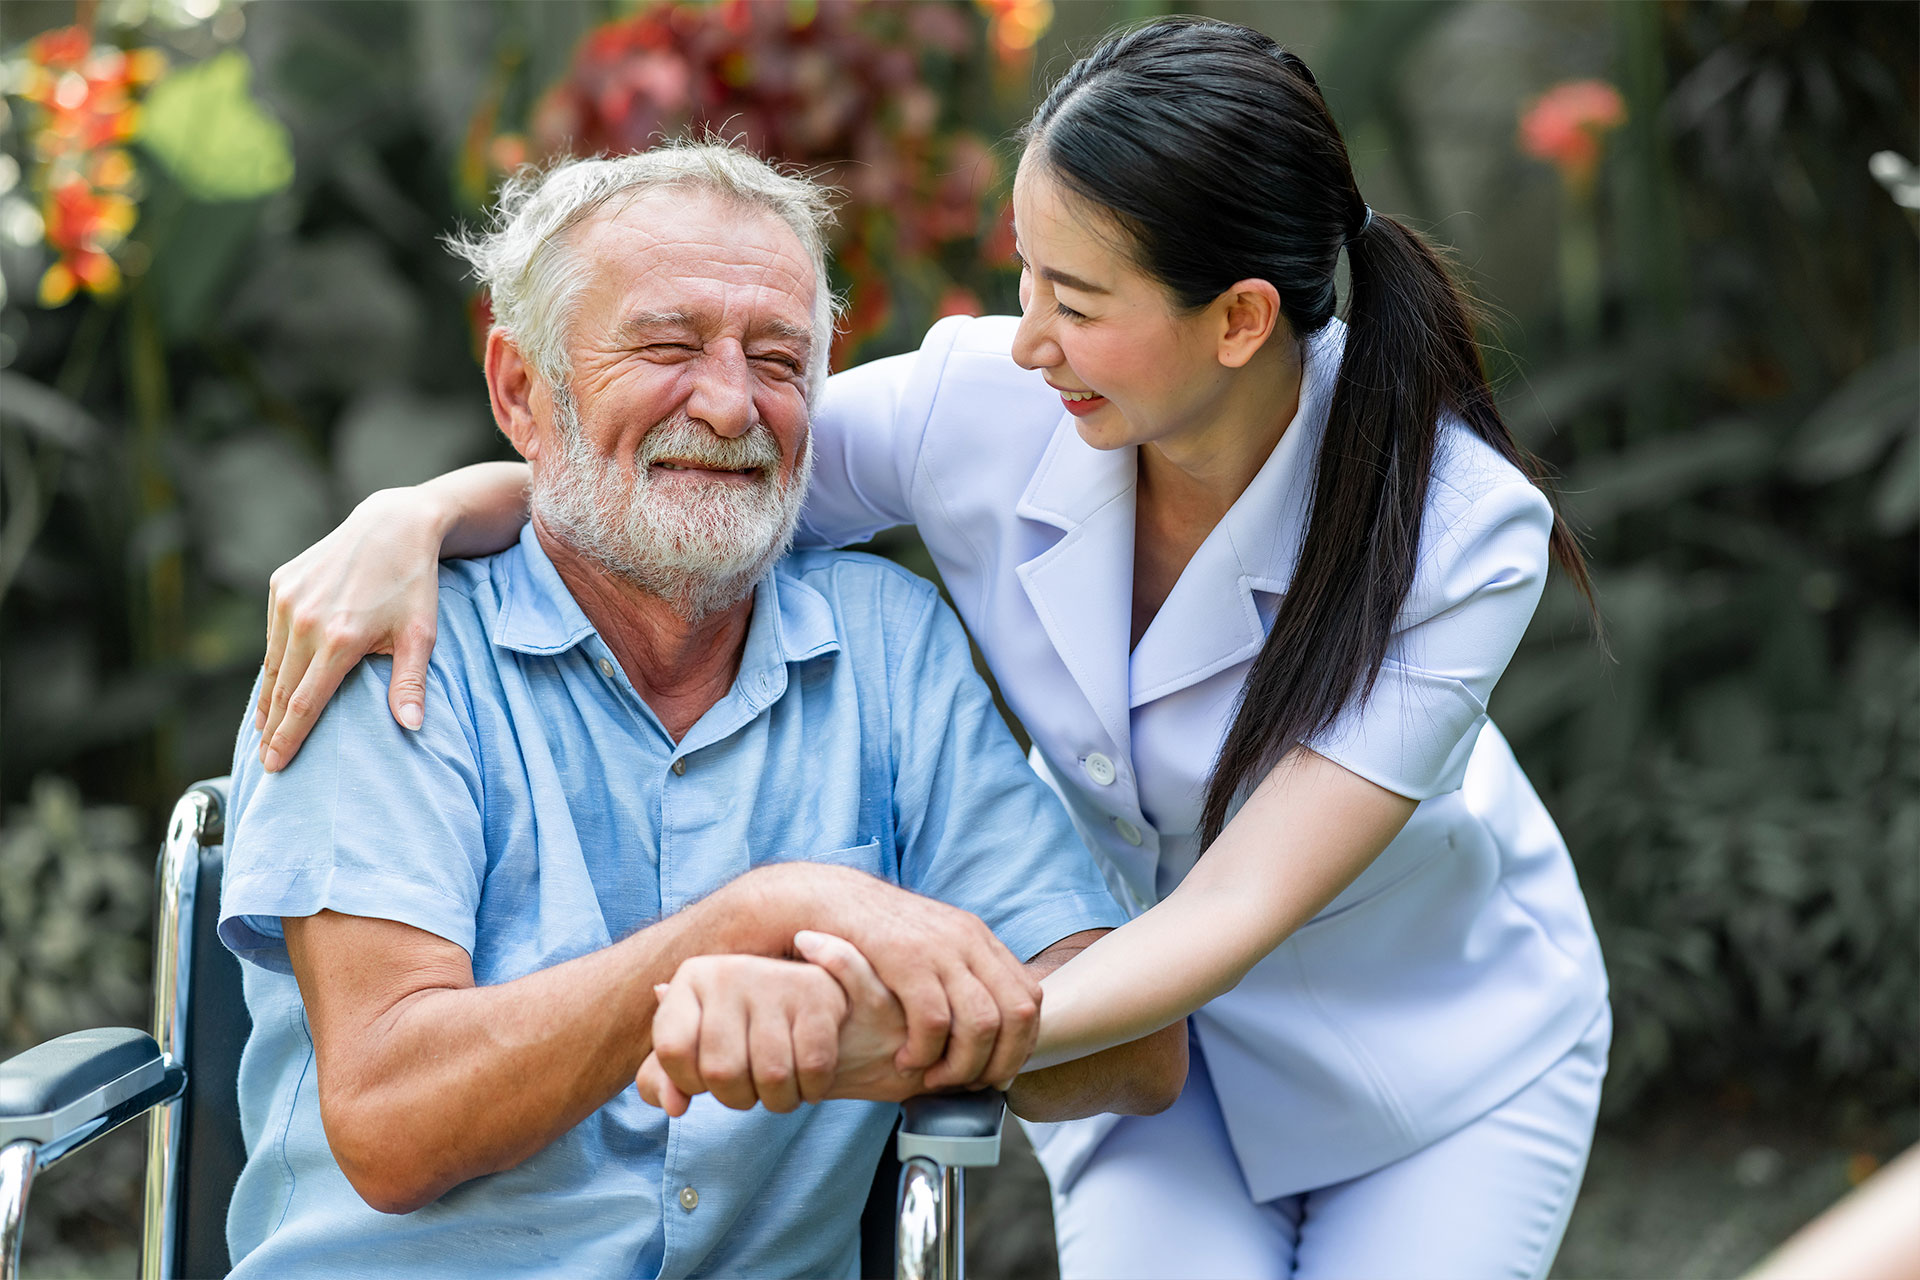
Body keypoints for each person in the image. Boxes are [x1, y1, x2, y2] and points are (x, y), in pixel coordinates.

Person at [257, 18, 1611, 1280]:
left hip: (1415, 1051)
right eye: (1026, 277)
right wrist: (416, 512)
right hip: (1118, 1048)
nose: (1026, 338)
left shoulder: (1458, 529)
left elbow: (1223, 924)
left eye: (1075, 298)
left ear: (1239, 320)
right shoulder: (983, 403)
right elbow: (698, 473)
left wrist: (849, 1031)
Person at [215, 143, 1183, 1279]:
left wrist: (838, 1014)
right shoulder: (387, 639)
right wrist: (759, 916)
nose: (730, 405)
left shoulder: (885, 643)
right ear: (522, 390)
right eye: (668, 345)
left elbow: (1128, 1043)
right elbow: (392, 1119)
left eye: (779, 360)